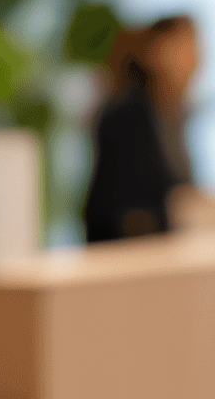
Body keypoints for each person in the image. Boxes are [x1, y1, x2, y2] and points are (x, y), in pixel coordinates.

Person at [83, 15, 201, 243]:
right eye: (186, 48)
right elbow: (129, 207)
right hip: (129, 256)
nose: (196, 59)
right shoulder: (129, 115)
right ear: (156, 53)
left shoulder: (168, 115)